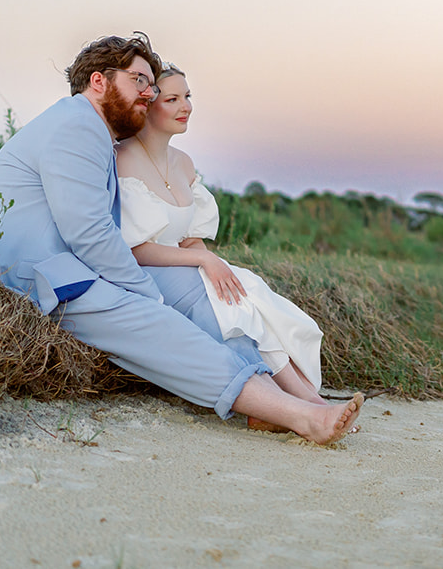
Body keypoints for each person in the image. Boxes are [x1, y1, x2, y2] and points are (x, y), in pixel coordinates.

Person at [0, 33, 361, 443]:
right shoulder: (76, 126)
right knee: (158, 321)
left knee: (198, 289)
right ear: (98, 81)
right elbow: (88, 233)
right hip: (42, 277)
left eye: (151, 85)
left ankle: (270, 401)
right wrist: (146, 293)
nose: (148, 92)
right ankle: (303, 416)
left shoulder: (87, 128)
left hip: (70, 266)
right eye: (138, 80)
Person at [114, 63, 330, 415]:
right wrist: (205, 260)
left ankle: (303, 398)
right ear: (148, 104)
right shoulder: (121, 158)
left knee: (247, 291)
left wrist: (215, 264)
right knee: (227, 306)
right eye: (172, 99)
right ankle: (301, 403)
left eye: (187, 96)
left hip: (185, 265)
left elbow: (191, 239)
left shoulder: (183, 163)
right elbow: (136, 249)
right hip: (149, 273)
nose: (186, 107)